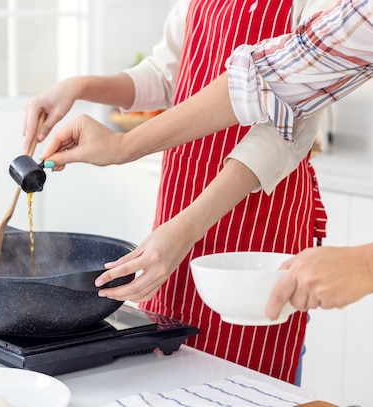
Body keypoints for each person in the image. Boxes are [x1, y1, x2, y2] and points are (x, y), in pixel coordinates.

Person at [24, 0, 336, 384]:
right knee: (167, 365)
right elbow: (167, 73)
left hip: (257, 220)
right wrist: (78, 86)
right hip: (181, 200)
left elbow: (285, 128)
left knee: (246, 377)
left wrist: (130, 153)